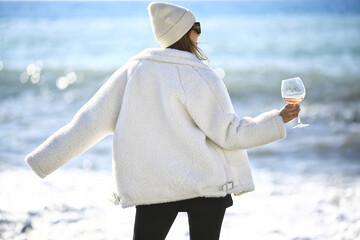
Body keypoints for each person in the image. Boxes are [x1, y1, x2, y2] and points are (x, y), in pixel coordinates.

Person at [25, 2, 300, 239]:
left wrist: (43, 160)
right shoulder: (203, 76)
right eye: (196, 27)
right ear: (184, 33)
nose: (199, 34)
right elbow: (231, 133)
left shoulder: (132, 72)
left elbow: (88, 122)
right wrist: (277, 119)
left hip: (154, 187)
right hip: (206, 184)